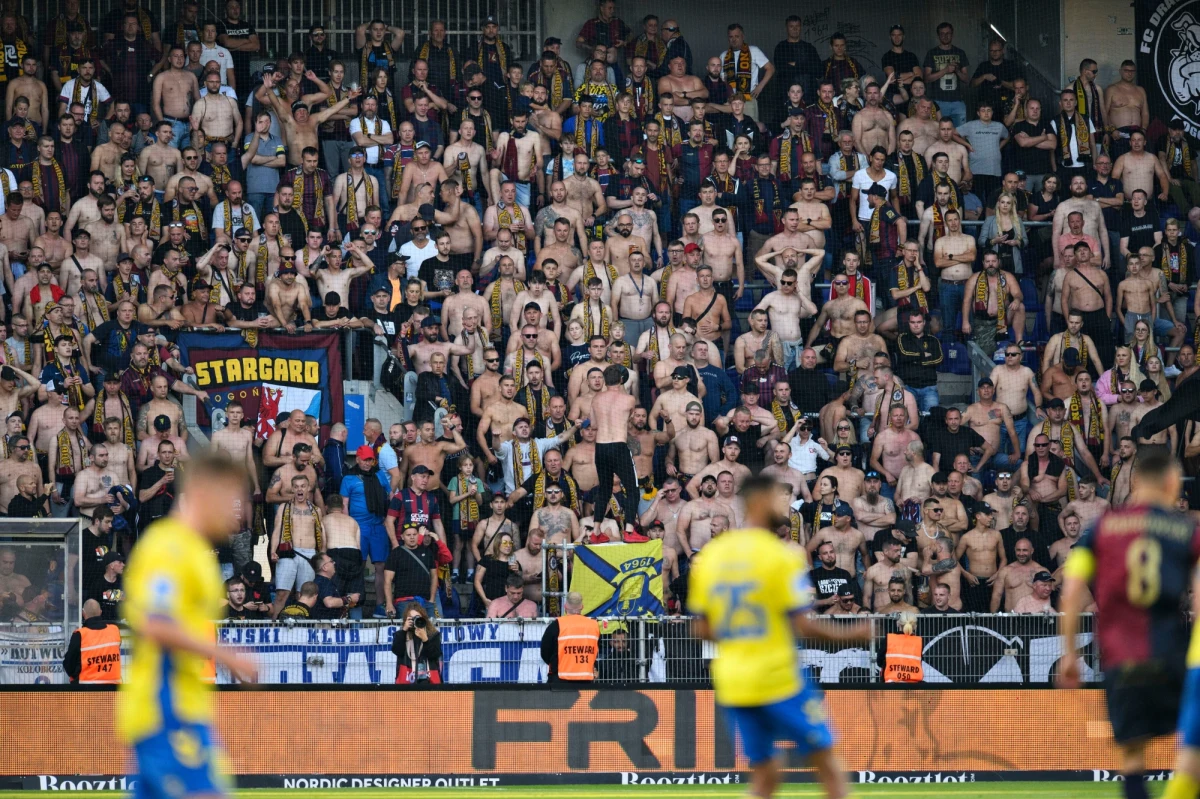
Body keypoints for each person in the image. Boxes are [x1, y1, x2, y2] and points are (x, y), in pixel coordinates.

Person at [689, 474, 869, 799]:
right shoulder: (781, 556)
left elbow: (700, 627)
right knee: (827, 765)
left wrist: (740, 632)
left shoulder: (714, 555)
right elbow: (805, 626)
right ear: (759, 501)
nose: (780, 503)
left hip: (735, 681)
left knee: (764, 776)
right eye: (776, 497)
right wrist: (855, 634)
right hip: (778, 676)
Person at [1060, 448, 1200, 799]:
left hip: (1120, 655)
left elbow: (1073, 590)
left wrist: (1069, 655)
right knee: (1191, 744)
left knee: (1134, 754)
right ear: (1171, 483)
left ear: (1134, 482)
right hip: (1170, 652)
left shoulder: (1103, 528)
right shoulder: (1184, 529)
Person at [116, 452, 256, 798]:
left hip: (183, 706)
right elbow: (154, 623)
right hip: (167, 709)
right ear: (203, 491)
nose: (234, 511)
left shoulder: (196, 551)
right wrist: (224, 654)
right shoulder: (170, 546)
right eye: (230, 499)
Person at [539, 589, 599, 684]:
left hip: (560, 679)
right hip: (586, 679)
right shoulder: (594, 625)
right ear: (582, 607)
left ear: (565, 606)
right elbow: (595, 651)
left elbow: (545, 652)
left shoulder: (556, 625)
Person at [63, 597, 120, 683]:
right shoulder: (114, 630)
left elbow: (69, 665)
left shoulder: (80, 635)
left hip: (87, 691)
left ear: (83, 613)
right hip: (113, 691)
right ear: (100, 612)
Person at [390, 601, 443, 684]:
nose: (415, 620)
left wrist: (425, 639)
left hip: (428, 681)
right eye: (411, 618)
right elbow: (397, 651)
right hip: (407, 681)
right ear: (406, 619)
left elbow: (435, 654)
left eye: (417, 617)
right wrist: (404, 630)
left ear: (423, 618)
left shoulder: (433, 635)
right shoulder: (402, 635)